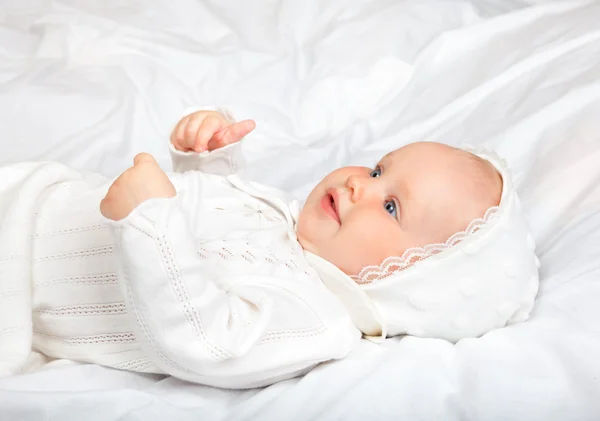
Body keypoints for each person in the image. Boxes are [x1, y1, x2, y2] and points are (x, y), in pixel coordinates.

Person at [0, 108, 539, 388]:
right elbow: (210, 215)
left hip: (17, 286)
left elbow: (208, 339)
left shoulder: (313, 319)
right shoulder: (289, 220)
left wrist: (150, 223)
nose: (360, 185)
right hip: (32, 198)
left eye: (391, 206)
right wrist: (205, 159)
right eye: (379, 169)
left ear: (409, 280)